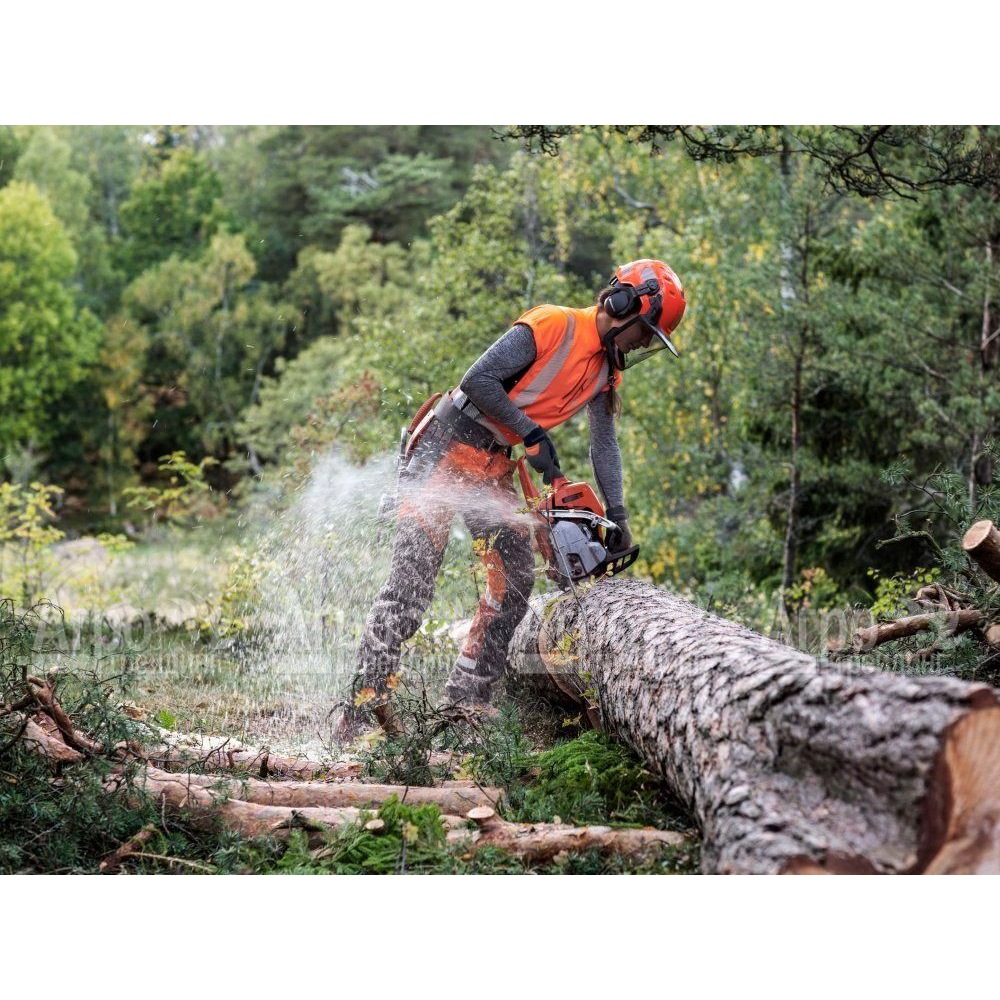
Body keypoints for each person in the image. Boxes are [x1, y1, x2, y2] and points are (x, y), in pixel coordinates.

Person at [340, 259, 686, 736]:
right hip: (446, 445)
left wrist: (618, 513)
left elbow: (604, 445)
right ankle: (361, 708)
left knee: (516, 581)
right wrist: (531, 433)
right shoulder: (554, 324)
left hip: (494, 462)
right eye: (645, 332)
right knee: (411, 586)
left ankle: (465, 703)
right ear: (624, 304)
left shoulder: (605, 372)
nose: (643, 343)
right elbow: (478, 380)